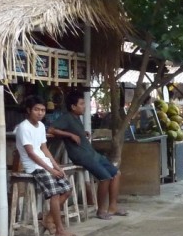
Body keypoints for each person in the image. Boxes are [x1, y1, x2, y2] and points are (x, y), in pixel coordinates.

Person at [47, 89, 127, 220]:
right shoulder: (66, 117)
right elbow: (51, 129)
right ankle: (101, 211)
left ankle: (113, 207)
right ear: (73, 106)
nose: (84, 106)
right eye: (82, 104)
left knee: (116, 174)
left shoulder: (76, 118)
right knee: (105, 178)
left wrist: (82, 134)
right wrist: (70, 135)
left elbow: (74, 130)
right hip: (81, 155)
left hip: (91, 153)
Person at [16, 95, 75, 236]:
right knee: (55, 193)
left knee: (67, 189)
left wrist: (57, 167)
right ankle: (59, 230)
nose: (40, 113)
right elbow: (31, 153)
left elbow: (44, 148)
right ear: (29, 110)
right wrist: (51, 170)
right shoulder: (23, 127)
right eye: (36, 109)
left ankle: (48, 219)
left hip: (45, 164)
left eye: (42, 110)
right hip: (33, 167)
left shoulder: (41, 126)